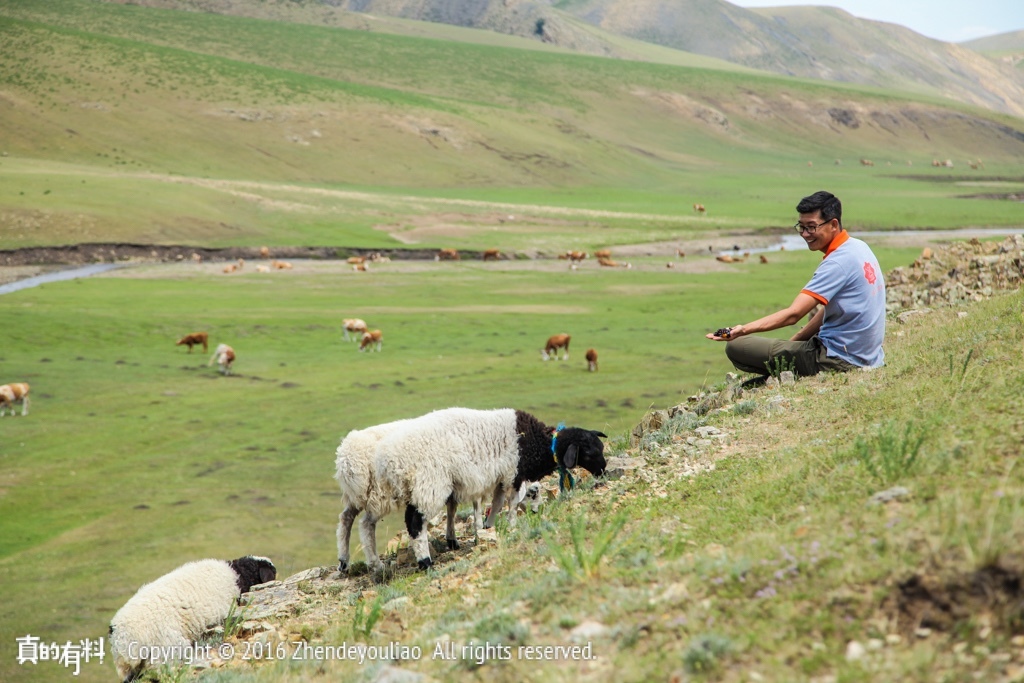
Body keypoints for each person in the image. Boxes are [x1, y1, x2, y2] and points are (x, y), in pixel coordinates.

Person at [706, 190, 885, 385]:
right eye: (801, 227)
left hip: (838, 359)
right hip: (867, 356)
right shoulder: (858, 247)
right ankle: (778, 375)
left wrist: (742, 330)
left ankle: (782, 376)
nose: (806, 234)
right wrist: (797, 339)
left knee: (737, 347)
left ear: (833, 224)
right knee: (785, 348)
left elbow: (793, 314)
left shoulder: (837, 263)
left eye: (812, 227)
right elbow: (832, 306)